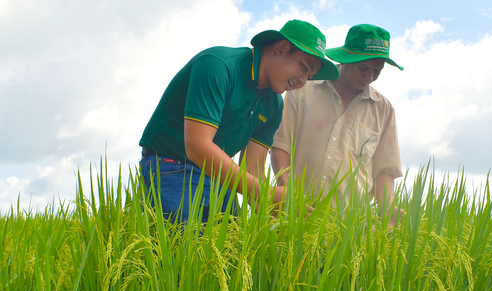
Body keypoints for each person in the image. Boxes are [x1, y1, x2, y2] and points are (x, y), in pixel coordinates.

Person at [139, 20, 339, 223]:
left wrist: (278, 214)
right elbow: (197, 146)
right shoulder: (218, 65)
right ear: (281, 48)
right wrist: (269, 193)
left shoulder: (274, 105)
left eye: (309, 77)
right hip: (171, 166)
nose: (303, 81)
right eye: (304, 68)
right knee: (180, 248)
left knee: (230, 250)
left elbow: (252, 168)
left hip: (219, 177)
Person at [270, 24, 404, 223]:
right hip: (295, 216)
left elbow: (384, 171)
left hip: (349, 227)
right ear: (345, 60)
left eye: (377, 71)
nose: (370, 77)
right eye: (363, 68)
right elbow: (280, 146)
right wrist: (288, 192)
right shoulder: (303, 90)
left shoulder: (383, 109)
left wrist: (389, 208)